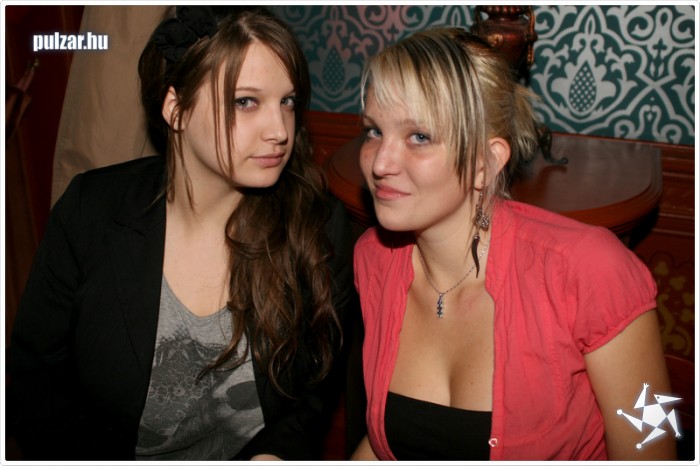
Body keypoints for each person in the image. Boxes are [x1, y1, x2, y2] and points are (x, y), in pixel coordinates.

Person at [8, 6, 354, 461]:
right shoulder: (91, 211)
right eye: (245, 102)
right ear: (176, 108)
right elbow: (34, 387)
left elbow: (311, 397)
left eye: (287, 101)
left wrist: (274, 454)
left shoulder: (318, 225)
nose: (279, 130)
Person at [350, 27, 675, 461]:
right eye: (374, 131)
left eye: (419, 137)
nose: (380, 162)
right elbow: (386, 443)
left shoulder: (591, 268)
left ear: (485, 162)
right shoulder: (374, 258)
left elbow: (655, 437)